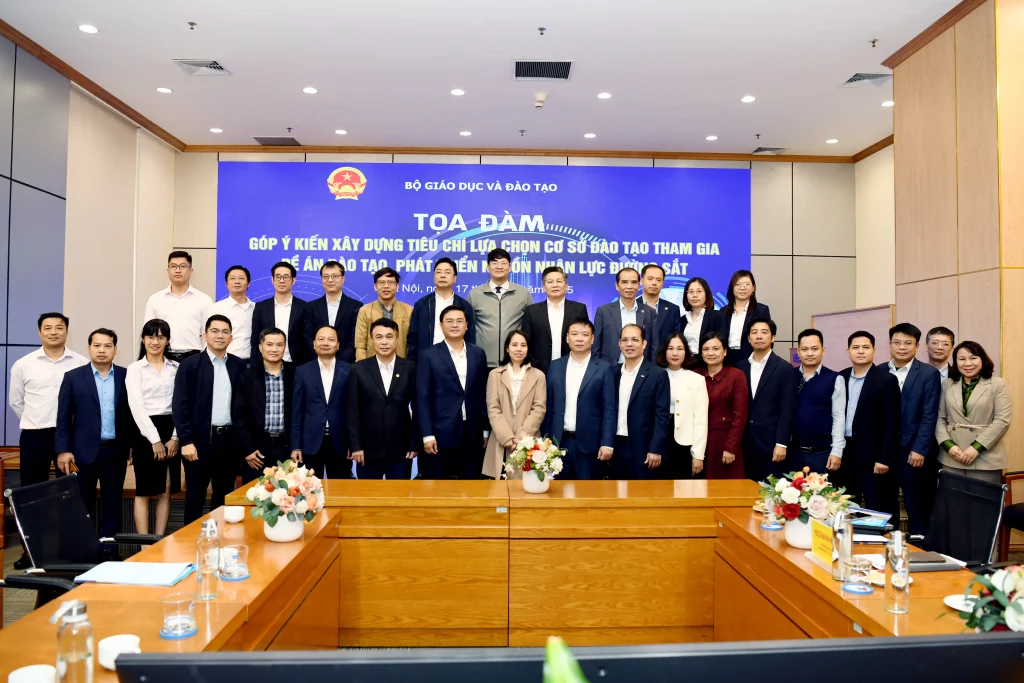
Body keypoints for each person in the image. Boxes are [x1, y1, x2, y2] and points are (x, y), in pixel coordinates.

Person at [9, 312, 88, 568]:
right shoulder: (24, 364)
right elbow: (16, 402)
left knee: (70, 494)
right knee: (32, 496)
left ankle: (68, 551)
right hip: (35, 436)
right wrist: (36, 421)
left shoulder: (80, 362)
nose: (54, 332)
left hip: (70, 438)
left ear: (67, 331)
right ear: (39, 332)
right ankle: (32, 553)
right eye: (48, 328)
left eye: (59, 327)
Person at [55, 328, 131, 539]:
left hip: (115, 451)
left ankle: (109, 549)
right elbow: (63, 417)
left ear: (115, 349)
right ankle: (82, 549)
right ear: (89, 348)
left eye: (107, 346)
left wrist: (132, 445)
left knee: (113, 503)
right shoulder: (73, 377)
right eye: (97, 345)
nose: (102, 350)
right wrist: (63, 450)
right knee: (80, 504)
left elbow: (133, 414)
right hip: (82, 452)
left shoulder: (127, 376)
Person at [172, 315, 247, 524]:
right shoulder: (189, 365)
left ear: (231, 338)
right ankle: (191, 543)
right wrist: (186, 441)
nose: (220, 336)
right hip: (198, 443)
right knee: (195, 498)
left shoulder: (239, 366)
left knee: (223, 499)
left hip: (229, 443)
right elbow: (180, 405)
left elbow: (243, 406)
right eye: (214, 331)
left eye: (225, 332)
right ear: (205, 335)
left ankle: (220, 541)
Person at [416, 306, 489, 479]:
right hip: (440, 433)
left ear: (467, 325)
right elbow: (422, 398)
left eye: (459, 321)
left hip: (472, 431)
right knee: (440, 485)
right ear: (441, 325)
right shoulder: (428, 355)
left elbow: (483, 394)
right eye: (449, 321)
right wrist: (427, 435)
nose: (455, 325)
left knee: (471, 483)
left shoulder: (478, 354)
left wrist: (485, 431)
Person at [125, 319, 180, 536]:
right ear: (143, 339)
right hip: (144, 431)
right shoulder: (135, 369)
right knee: (144, 491)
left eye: (160, 337)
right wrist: (155, 440)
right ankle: (143, 545)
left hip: (171, 428)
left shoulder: (176, 368)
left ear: (167, 340)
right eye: (150, 337)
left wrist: (175, 437)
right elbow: (136, 406)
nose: (155, 342)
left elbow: (181, 404)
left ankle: (159, 541)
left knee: (165, 490)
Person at [543, 319, 616, 480]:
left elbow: (609, 409)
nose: (579, 338)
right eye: (574, 334)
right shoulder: (555, 366)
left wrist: (607, 443)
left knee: (588, 492)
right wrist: (545, 440)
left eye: (585, 334)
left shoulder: (604, 368)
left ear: (592, 339)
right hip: (557, 443)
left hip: (590, 445)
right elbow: (548, 406)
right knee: (556, 492)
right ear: (567, 338)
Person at [347, 319, 419, 480]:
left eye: (389, 336)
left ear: (397, 339)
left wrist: (414, 443)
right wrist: (355, 446)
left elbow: (418, 408)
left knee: (400, 494)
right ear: (371, 340)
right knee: (368, 494)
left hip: (401, 449)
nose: (384, 342)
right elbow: (352, 411)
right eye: (379, 337)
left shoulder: (410, 368)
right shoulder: (358, 369)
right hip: (367, 450)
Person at [888, 322, 942, 535]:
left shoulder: (929, 374)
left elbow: (930, 415)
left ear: (917, 346)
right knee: (886, 505)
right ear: (890, 344)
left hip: (913, 451)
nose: (902, 347)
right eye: (897, 342)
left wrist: (920, 448)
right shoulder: (880, 371)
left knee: (917, 506)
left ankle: (920, 547)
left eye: (908, 343)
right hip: (886, 453)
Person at [838, 331, 902, 511]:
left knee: (877, 508)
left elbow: (892, 423)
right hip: (845, 454)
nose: (860, 351)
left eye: (866, 347)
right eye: (855, 347)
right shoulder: (841, 377)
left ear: (874, 351)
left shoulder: (886, 380)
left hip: (874, 457)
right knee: (846, 507)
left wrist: (883, 458)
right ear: (848, 351)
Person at [936, 341, 1012, 485]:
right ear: (956, 362)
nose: (967, 363)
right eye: (962, 359)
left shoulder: (998, 384)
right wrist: (948, 445)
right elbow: (940, 418)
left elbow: (1002, 421)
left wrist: (976, 448)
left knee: (982, 498)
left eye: (973, 358)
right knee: (952, 498)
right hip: (952, 455)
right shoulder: (947, 384)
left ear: (982, 359)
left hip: (985, 456)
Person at [232, 327, 294, 484]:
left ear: (285, 347)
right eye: (269, 344)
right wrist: (248, 449)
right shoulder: (248, 376)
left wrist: (297, 447)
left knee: (289, 494)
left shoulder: (295, 374)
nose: (274, 349)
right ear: (260, 347)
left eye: (279, 345)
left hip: (287, 447)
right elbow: (239, 415)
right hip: (257, 450)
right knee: (255, 494)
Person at [737, 318, 796, 482]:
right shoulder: (740, 367)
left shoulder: (784, 368)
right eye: (754, 332)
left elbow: (788, 409)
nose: (759, 336)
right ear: (748, 338)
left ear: (773, 337)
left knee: (772, 491)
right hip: (745, 444)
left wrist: (781, 443)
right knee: (748, 490)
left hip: (772, 445)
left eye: (764, 332)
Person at [292, 326, 353, 480]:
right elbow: (297, 412)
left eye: (331, 339)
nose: (325, 343)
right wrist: (296, 445)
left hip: (340, 442)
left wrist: (353, 443)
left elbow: (353, 411)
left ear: (338, 345)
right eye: (321, 339)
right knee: (309, 490)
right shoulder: (302, 371)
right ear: (314, 344)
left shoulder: (350, 370)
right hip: (310, 443)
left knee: (340, 489)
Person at [484, 330, 547, 479]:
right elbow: (493, 408)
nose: (519, 349)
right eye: (514, 345)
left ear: (528, 349)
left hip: (528, 441)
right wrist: (506, 437)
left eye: (523, 345)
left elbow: (539, 408)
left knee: (526, 485)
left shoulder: (538, 375)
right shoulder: (495, 374)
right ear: (507, 348)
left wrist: (521, 437)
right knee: (499, 487)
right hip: (500, 440)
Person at [612, 324, 671, 480]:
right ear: (619, 344)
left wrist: (655, 448)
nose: (629, 344)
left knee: (643, 494)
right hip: (616, 447)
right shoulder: (612, 373)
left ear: (644, 344)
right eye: (625, 340)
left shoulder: (657, 374)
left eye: (635, 340)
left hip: (644, 449)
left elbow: (662, 416)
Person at [791, 329, 846, 473]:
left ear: (823, 350)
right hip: (792, 452)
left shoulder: (835, 379)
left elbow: (839, 417)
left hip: (822, 454)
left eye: (815, 349)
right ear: (798, 351)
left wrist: (837, 451)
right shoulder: (789, 376)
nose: (810, 353)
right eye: (805, 349)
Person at [695, 331, 748, 479]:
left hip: (724, 441)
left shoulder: (736, 375)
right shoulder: (695, 375)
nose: (710, 353)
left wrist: (731, 447)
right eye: (706, 349)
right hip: (698, 442)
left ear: (725, 351)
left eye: (716, 348)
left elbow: (740, 416)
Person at [143, 251, 213, 363]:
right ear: (168, 270)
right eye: (173, 266)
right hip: (163, 357)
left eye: (183, 266)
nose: (177, 270)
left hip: (194, 357)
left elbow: (209, 334)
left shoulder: (204, 300)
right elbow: (149, 333)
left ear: (191, 270)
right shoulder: (155, 299)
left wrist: (205, 360)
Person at [467, 248, 531, 368]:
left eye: (503, 263)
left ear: (510, 267)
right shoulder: (475, 294)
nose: (499, 266)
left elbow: (529, 328)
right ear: (488, 267)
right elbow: (468, 328)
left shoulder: (523, 293)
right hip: (482, 361)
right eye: (495, 263)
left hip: (514, 361)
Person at [656, 333, 709, 479]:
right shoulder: (655, 375)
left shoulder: (697, 380)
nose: (675, 353)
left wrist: (698, 454)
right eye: (670, 348)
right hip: (659, 438)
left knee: (683, 487)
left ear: (686, 352)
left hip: (684, 441)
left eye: (680, 348)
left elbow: (700, 420)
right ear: (664, 351)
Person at [519, 266, 589, 374]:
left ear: (566, 286)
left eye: (559, 281)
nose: (555, 285)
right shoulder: (531, 311)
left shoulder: (579, 309)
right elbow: (525, 340)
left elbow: (585, 338)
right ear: (543, 287)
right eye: (550, 282)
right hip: (538, 369)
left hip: (572, 367)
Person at [407, 257, 476, 364]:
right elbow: (413, 338)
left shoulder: (464, 306)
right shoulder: (421, 305)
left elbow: (470, 337)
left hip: (457, 362)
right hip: (427, 361)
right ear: (434, 276)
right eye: (438, 272)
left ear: (455, 278)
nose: (442, 275)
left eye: (447, 272)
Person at [250, 261, 313, 365]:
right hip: (267, 364)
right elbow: (255, 340)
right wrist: (254, 366)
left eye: (286, 277)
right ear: (272, 280)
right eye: (278, 277)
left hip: (296, 364)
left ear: (293, 280)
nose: (282, 280)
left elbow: (307, 339)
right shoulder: (261, 307)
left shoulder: (304, 307)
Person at [593, 268, 653, 364]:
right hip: (609, 367)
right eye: (624, 282)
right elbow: (596, 345)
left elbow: (653, 346)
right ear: (617, 285)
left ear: (639, 285)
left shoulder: (649, 312)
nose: (629, 286)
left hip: (641, 369)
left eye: (634, 282)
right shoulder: (603, 311)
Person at [354, 267, 414, 361]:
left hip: (401, 365)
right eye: (381, 282)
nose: (386, 286)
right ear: (375, 286)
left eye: (390, 282)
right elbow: (360, 345)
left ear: (397, 286)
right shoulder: (365, 311)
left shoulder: (409, 311)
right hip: (372, 366)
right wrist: (362, 368)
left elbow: (412, 345)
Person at [308, 260, 361, 363]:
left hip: (347, 363)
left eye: (335, 276)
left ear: (343, 279)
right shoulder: (311, 306)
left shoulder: (356, 306)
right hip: (317, 363)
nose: (330, 280)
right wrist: (321, 359)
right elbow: (308, 337)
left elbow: (355, 338)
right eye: (326, 276)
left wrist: (340, 361)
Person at [721, 270, 770, 367]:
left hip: (751, 359)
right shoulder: (723, 311)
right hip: (726, 360)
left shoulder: (761, 310)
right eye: (738, 284)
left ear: (753, 288)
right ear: (732, 288)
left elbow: (767, 338)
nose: (742, 288)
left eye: (747, 284)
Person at [207, 265, 255, 362]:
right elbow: (207, 337)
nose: (237, 282)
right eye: (233, 278)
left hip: (251, 362)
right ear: (226, 283)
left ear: (248, 283)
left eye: (241, 278)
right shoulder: (216, 308)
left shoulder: (256, 308)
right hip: (224, 361)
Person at [640, 264, 681, 360]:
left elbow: (676, 339)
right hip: (637, 362)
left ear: (663, 283)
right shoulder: (633, 306)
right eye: (650, 279)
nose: (654, 283)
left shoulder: (673, 309)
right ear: (642, 281)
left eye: (658, 280)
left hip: (664, 361)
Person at [681, 277, 723, 359]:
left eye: (699, 291)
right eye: (691, 292)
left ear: (706, 294)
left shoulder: (717, 316)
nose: (695, 295)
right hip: (686, 362)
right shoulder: (682, 320)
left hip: (708, 362)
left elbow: (721, 343)